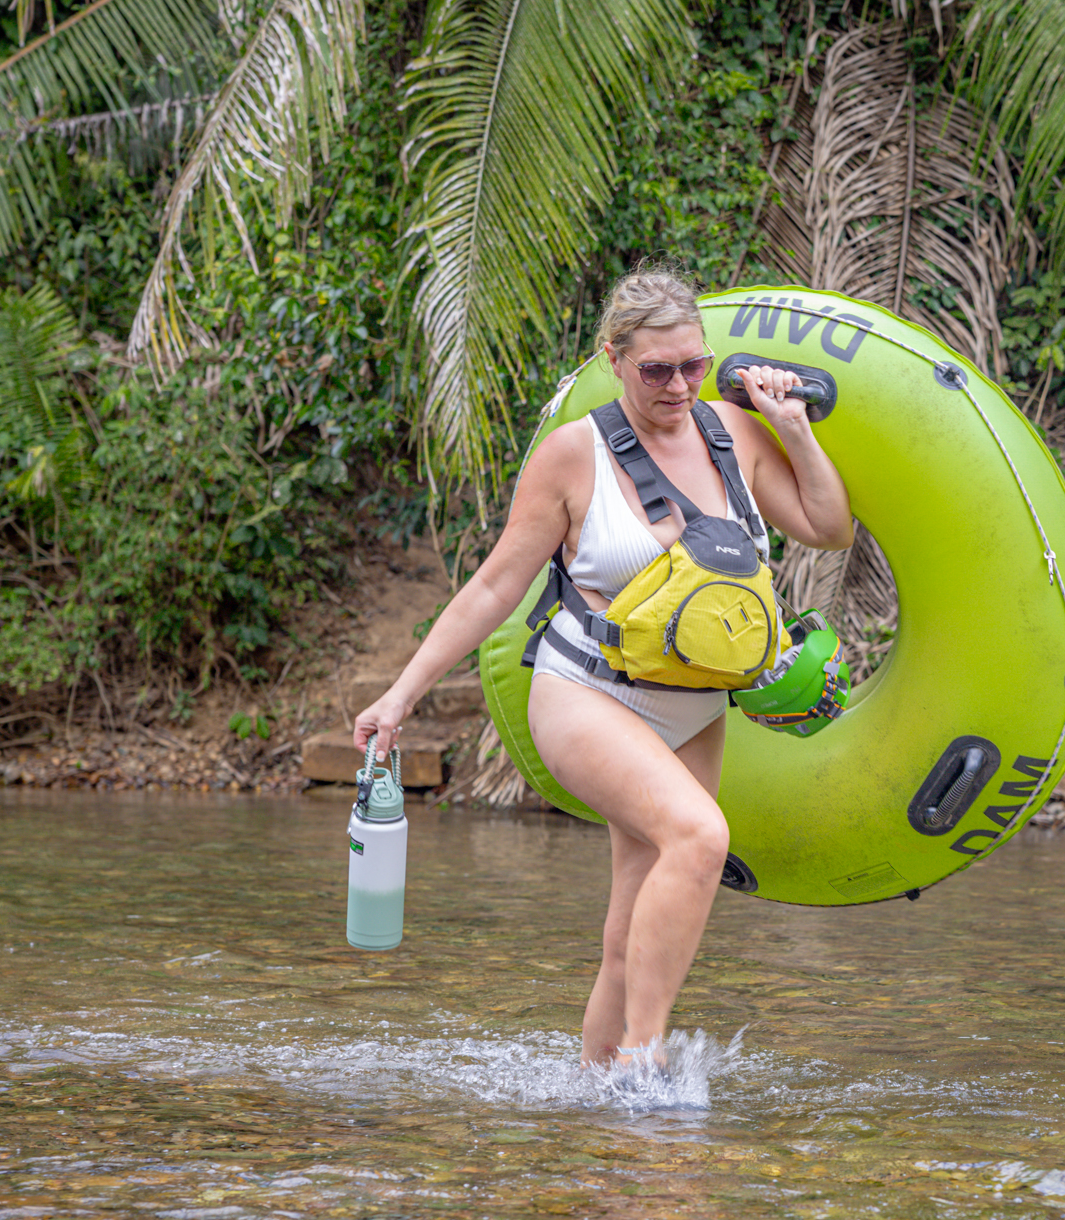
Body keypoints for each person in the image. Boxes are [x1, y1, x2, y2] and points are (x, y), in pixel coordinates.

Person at [352, 266, 852, 1070]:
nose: (679, 385)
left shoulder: (734, 430)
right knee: (699, 836)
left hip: (692, 708)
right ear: (613, 357)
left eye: (693, 364)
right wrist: (401, 694)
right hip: (586, 693)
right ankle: (645, 1071)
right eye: (657, 369)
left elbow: (827, 526)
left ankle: (597, 1108)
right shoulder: (571, 456)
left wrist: (791, 426)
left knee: (627, 933)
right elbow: (492, 587)